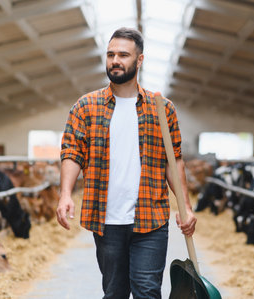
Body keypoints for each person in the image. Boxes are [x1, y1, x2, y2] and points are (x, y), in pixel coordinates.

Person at [56, 27, 197, 299]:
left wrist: (185, 207)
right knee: (114, 292)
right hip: (105, 220)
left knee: (147, 291)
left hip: (151, 218)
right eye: (110, 55)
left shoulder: (161, 108)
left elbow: (173, 160)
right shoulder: (86, 106)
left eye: (123, 54)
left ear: (139, 60)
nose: (115, 61)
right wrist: (64, 195)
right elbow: (72, 152)